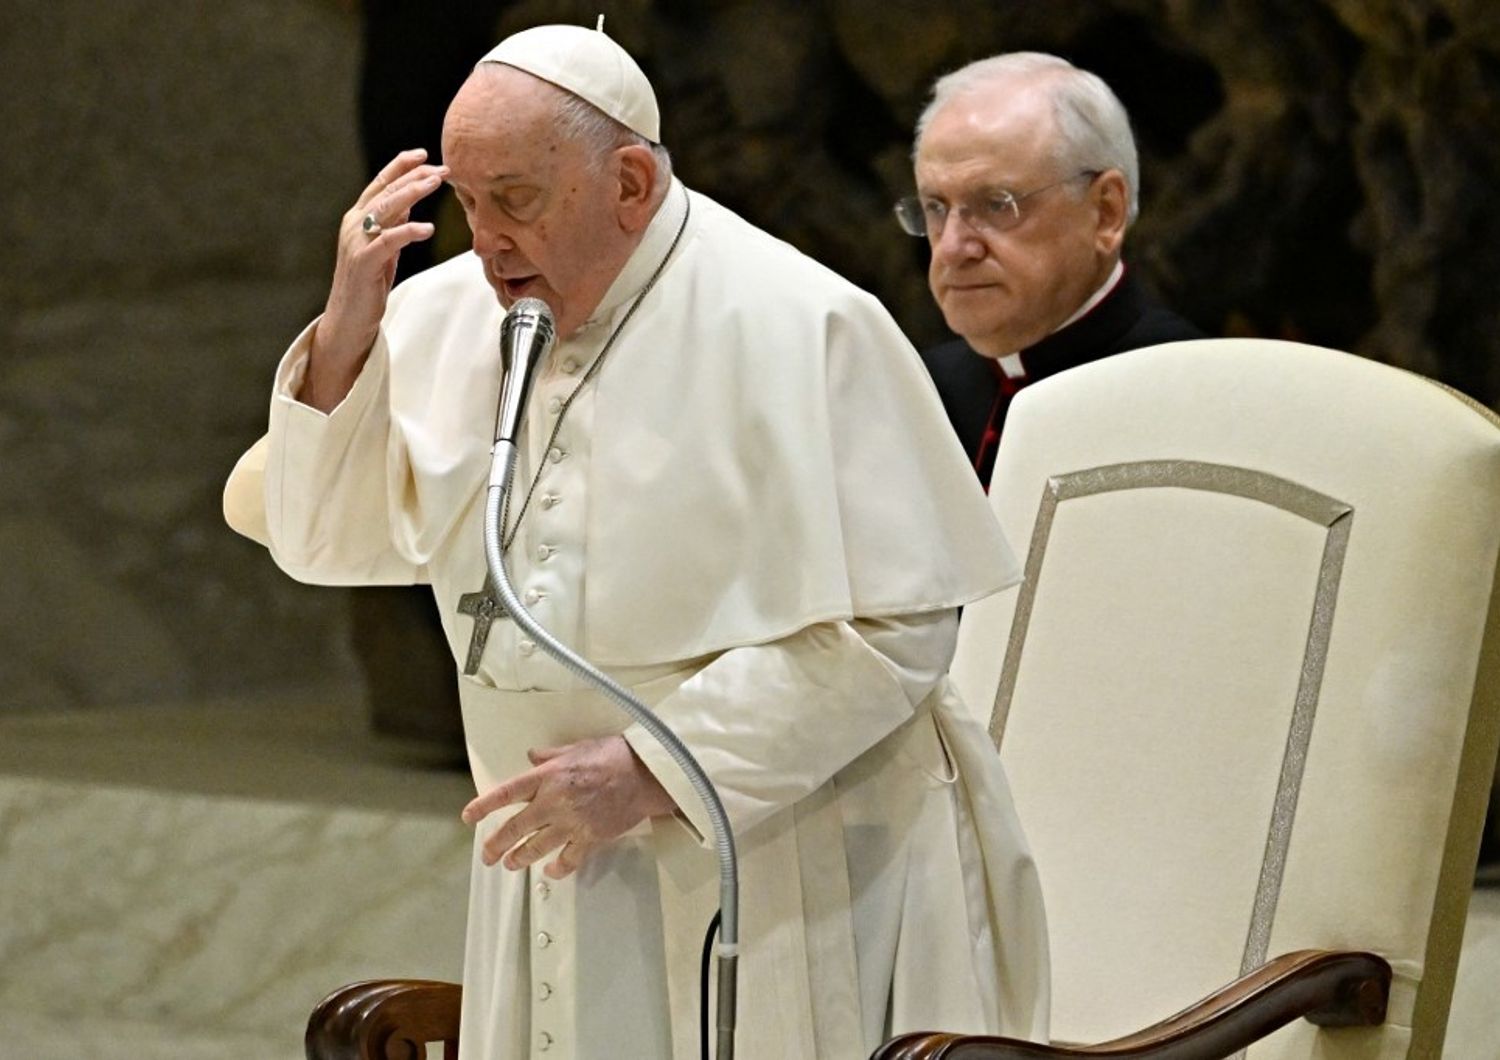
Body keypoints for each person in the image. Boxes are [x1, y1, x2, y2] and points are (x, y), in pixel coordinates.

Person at [224, 24, 1048, 1059]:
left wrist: (654, 768)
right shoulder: (447, 312)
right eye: (465, 204)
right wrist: (348, 332)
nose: (485, 241)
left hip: (783, 855)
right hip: (555, 863)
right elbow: (320, 542)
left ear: (627, 183)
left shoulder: (800, 323)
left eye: (515, 199)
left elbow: (901, 627)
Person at [901, 52, 1203, 487]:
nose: (952, 248)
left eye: (996, 204)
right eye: (935, 207)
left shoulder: (1199, 396)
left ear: (1105, 212)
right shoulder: (915, 393)